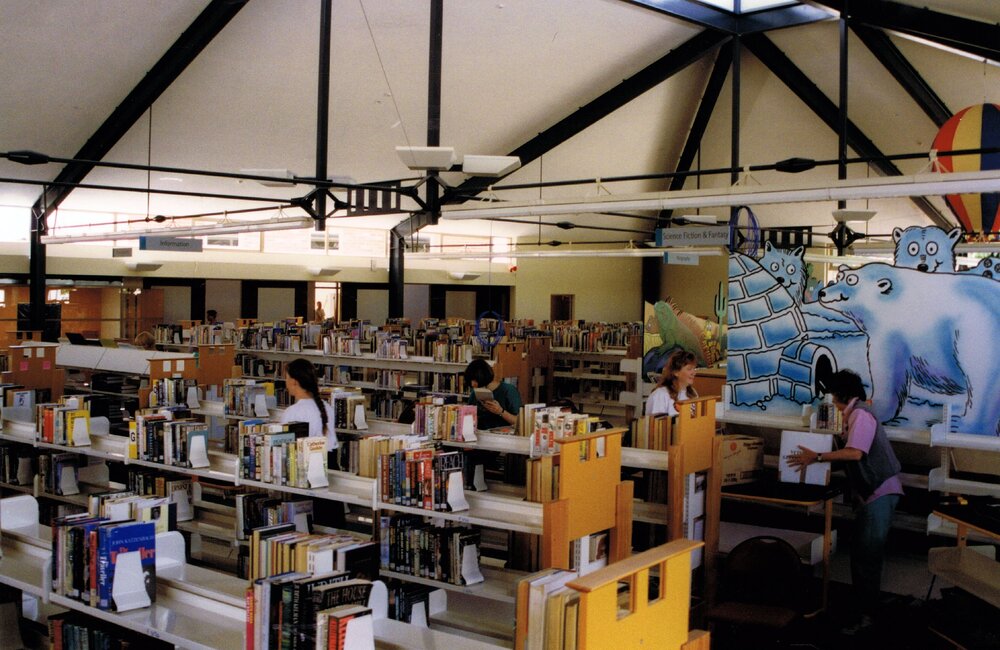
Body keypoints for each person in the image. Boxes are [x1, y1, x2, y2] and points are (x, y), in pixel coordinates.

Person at [788, 369, 903, 633]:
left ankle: (867, 617)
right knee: (866, 555)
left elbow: (854, 454)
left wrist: (817, 457)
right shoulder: (854, 414)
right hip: (875, 492)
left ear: (837, 394)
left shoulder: (860, 415)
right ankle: (867, 612)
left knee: (867, 556)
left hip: (879, 492)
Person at [280, 358, 339, 467]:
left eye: (286, 378)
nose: (285, 382)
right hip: (330, 464)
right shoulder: (327, 407)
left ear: (294, 382)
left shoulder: (291, 412)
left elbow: (285, 450)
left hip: (307, 467)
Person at [464, 358, 521, 429]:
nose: (472, 384)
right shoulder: (474, 393)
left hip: (503, 435)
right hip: (480, 434)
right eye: (470, 381)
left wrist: (501, 411)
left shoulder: (508, 391)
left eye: (474, 380)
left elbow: (519, 422)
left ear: (482, 377)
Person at [645, 349, 698, 416]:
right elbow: (658, 423)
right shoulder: (660, 395)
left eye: (694, 368)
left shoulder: (693, 393)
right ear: (676, 372)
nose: (694, 373)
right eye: (689, 369)